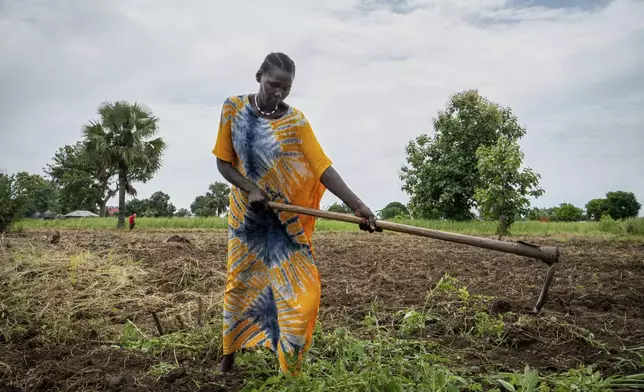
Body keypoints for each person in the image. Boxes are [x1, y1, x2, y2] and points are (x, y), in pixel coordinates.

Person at [212, 52, 382, 375]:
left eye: (286, 88)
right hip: (246, 221)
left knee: (302, 294)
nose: (278, 93)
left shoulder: (297, 122)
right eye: (274, 84)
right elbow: (223, 162)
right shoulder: (232, 109)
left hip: (283, 222)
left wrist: (357, 205)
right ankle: (228, 356)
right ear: (259, 75)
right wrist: (249, 188)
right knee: (240, 285)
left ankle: (288, 369)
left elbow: (323, 168)